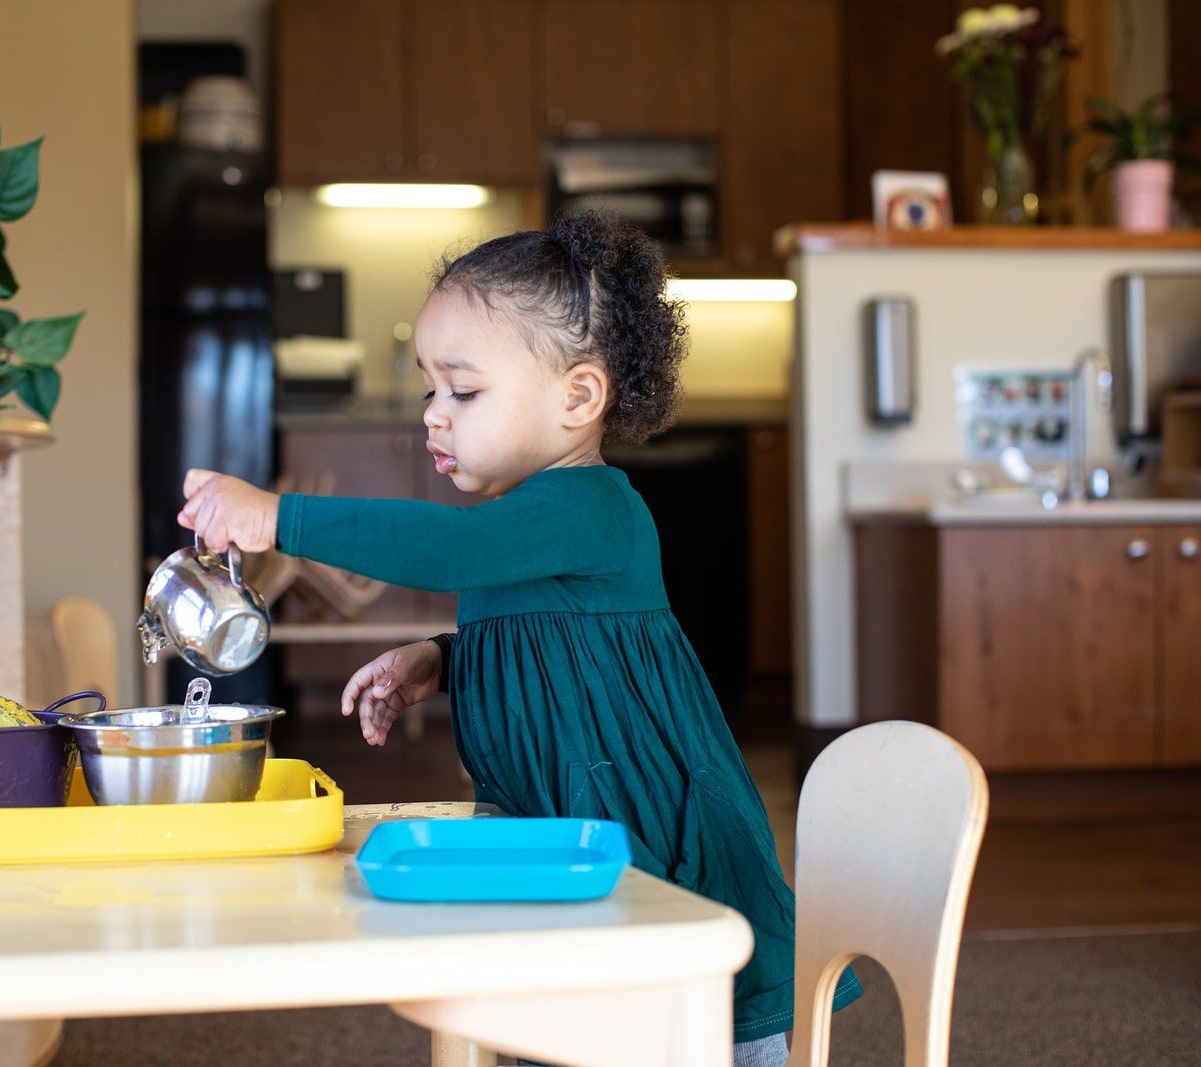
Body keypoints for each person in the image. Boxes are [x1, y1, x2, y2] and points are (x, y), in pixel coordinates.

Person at [178, 210, 861, 1065]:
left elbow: (446, 548)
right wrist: (442, 658)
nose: (434, 413)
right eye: (430, 388)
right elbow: (548, 637)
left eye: (463, 391)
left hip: (660, 850)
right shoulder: (524, 524)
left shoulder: (589, 506)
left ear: (578, 397)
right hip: (579, 837)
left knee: (673, 1032)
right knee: (566, 1023)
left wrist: (278, 516)